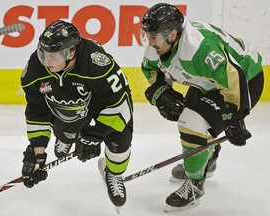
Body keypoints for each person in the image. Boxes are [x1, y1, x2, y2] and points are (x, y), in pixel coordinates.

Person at [140, 3, 264, 211]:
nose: (150, 42)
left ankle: (195, 185)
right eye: (148, 35)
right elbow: (151, 70)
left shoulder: (199, 48)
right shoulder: (159, 45)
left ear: (172, 33)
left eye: (154, 37)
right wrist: (160, 92)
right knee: (195, 125)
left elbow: (232, 76)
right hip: (208, 82)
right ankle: (207, 156)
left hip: (244, 78)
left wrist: (234, 117)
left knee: (191, 123)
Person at [20, 20, 133, 210]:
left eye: (53, 56)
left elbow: (120, 102)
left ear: (70, 53)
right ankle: (65, 136)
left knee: (119, 142)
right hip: (68, 104)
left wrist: (96, 134)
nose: (46, 61)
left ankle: (113, 173)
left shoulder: (97, 63)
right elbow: (37, 111)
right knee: (65, 130)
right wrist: (37, 154)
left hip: (102, 103)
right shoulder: (34, 70)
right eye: (44, 53)